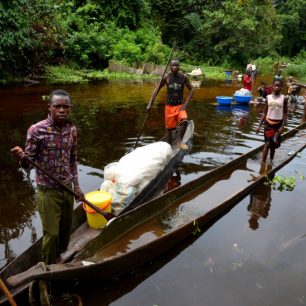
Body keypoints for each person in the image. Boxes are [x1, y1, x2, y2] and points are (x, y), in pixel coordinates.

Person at [11, 89, 84, 264]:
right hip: (48, 190)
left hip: (67, 188)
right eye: (57, 106)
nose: (61, 110)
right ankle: (49, 269)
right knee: (51, 234)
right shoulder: (36, 130)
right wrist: (22, 158)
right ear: (49, 107)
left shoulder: (71, 129)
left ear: (70, 108)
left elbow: (73, 160)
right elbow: (27, 166)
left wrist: (76, 186)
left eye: (65, 107)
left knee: (65, 232)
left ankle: (62, 258)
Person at [147, 59, 193, 146]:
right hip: (169, 106)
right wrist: (150, 103)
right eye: (173, 65)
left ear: (179, 66)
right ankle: (170, 145)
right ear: (170, 67)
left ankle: (180, 142)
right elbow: (156, 90)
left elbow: (192, 90)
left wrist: (186, 104)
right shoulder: (166, 77)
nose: (175, 67)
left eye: (177, 65)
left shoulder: (183, 77)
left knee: (184, 121)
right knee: (169, 129)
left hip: (180, 106)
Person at [256, 80, 288, 165]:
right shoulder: (268, 97)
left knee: (273, 146)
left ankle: (271, 161)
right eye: (275, 86)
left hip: (278, 125)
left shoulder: (284, 98)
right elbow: (264, 112)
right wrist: (259, 126)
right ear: (272, 86)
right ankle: (262, 163)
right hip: (268, 124)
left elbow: (285, 114)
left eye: (278, 86)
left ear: (281, 87)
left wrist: (282, 127)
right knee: (267, 144)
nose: (277, 87)